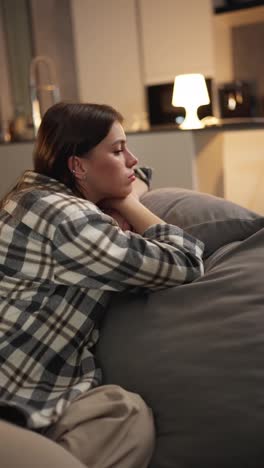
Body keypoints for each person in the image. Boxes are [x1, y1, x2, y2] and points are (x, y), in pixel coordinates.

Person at [0, 102, 204, 468]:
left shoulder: (36, 199)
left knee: (126, 412)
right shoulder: (63, 217)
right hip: (8, 400)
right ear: (77, 165)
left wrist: (121, 199)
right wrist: (129, 202)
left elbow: (137, 173)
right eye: (117, 149)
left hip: (37, 395)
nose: (132, 159)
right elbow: (185, 262)